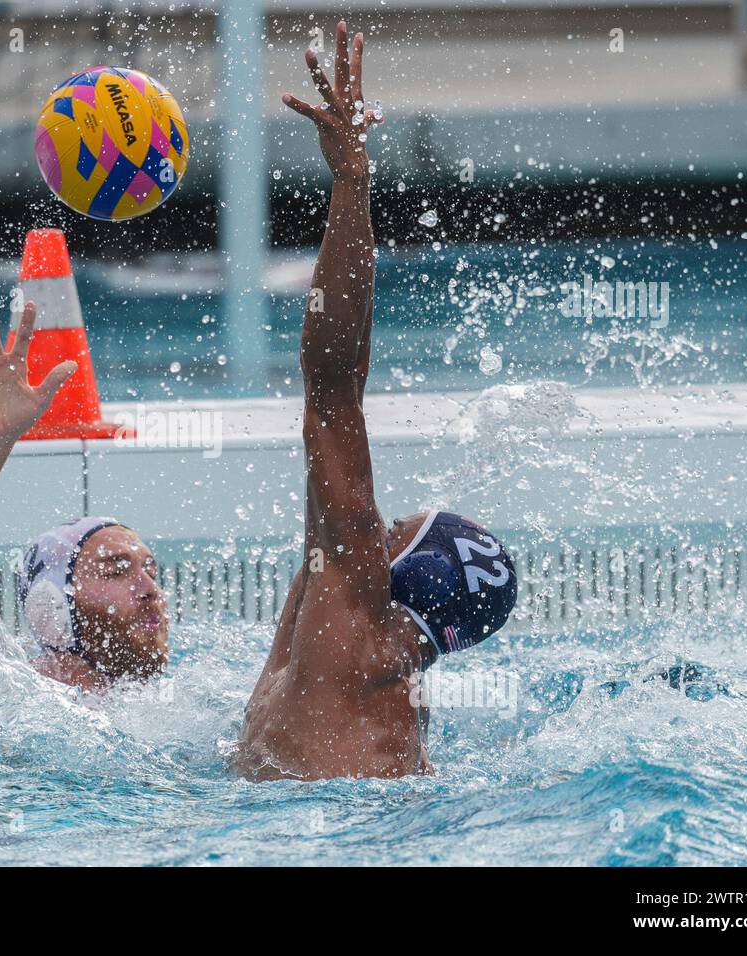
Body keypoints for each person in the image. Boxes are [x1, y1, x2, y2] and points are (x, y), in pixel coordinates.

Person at [235, 23, 518, 781]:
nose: (370, 522)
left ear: (400, 565)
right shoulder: (381, 674)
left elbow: (331, 383)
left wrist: (351, 183)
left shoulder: (357, 608)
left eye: (390, 529)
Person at [0, 292, 168, 692]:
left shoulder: (174, 709)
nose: (150, 590)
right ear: (53, 606)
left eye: (150, 570)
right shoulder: (14, 695)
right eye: (116, 570)